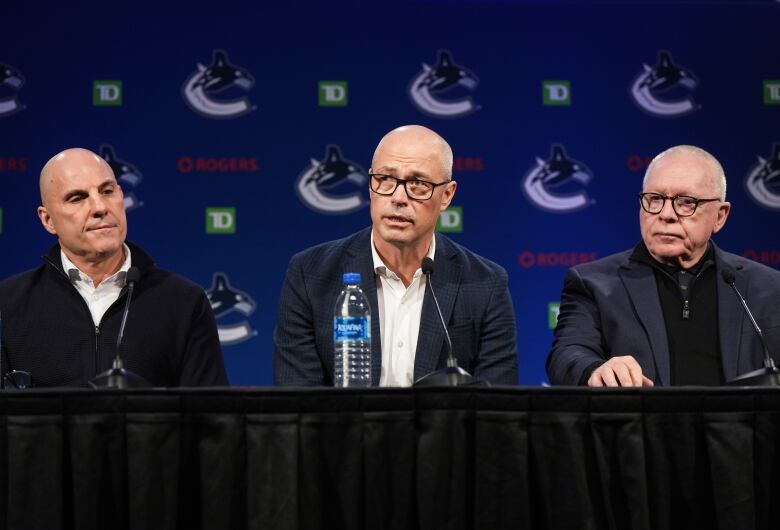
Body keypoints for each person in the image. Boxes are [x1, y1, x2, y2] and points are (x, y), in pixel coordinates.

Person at [274, 125, 518, 386]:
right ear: (370, 184)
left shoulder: (485, 283)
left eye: (418, 184)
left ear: (446, 195)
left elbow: (497, 409)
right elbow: (298, 403)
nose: (398, 197)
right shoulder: (310, 275)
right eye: (385, 180)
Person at [547, 145, 780, 387]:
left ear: (720, 216)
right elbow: (567, 354)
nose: (666, 214)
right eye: (655, 199)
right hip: (641, 424)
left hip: (736, 424)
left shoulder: (769, 288)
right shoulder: (593, 284)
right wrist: (594, 369)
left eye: (686, 202)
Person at [0, 148, 228, 387]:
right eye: (77, 198)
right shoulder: (7, 305)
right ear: (48, 220)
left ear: (121, 196)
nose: (99, 207)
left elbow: (211, 419)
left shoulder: (184, 302)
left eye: (107, 191)